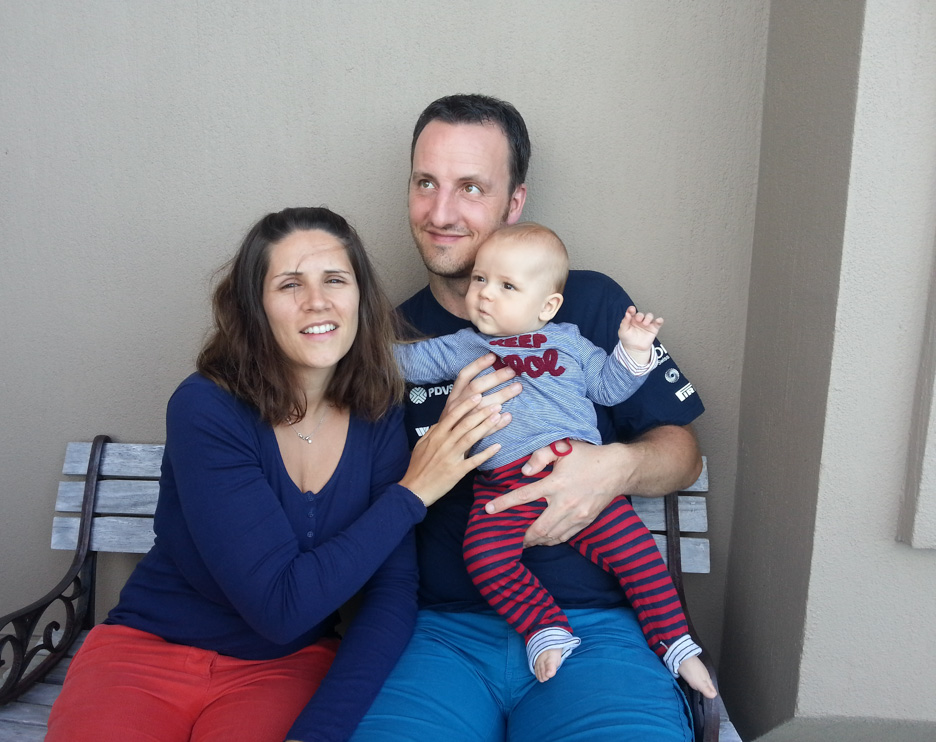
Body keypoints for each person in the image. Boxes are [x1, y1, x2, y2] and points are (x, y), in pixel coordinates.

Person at [45, 207, 511, 742]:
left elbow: (391, 593)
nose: (317, 301)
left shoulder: (378, 413)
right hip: (149, 652)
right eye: (290, 284)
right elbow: (279, 607)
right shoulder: (207, 408)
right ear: (255, 307)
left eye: (335, 279)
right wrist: (412, 494)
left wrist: (321, 729)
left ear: (360, 296)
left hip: (283, 668)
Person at [350, 96, 706, 741]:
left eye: (471, 187)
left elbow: (683, 452)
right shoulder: (393, 341)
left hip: (596, 629)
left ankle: (670, 645)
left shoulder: (588, 304)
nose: (441, 212)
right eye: (425, 183)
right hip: (442, 634)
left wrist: (615, 467)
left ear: (514, 201)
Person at [394, 221, 714, 694]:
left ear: (547, 306)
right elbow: (406, 362)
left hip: (575, 474)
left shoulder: (570, 343)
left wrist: (633, 352)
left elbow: (609, 387)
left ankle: (676, 643)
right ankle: (544, 627)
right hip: (503, 486)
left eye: (506, 286)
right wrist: (346, 346)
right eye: (480, 279)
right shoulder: (466, 346)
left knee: (638, 556)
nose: (484, 294)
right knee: (483, 557)